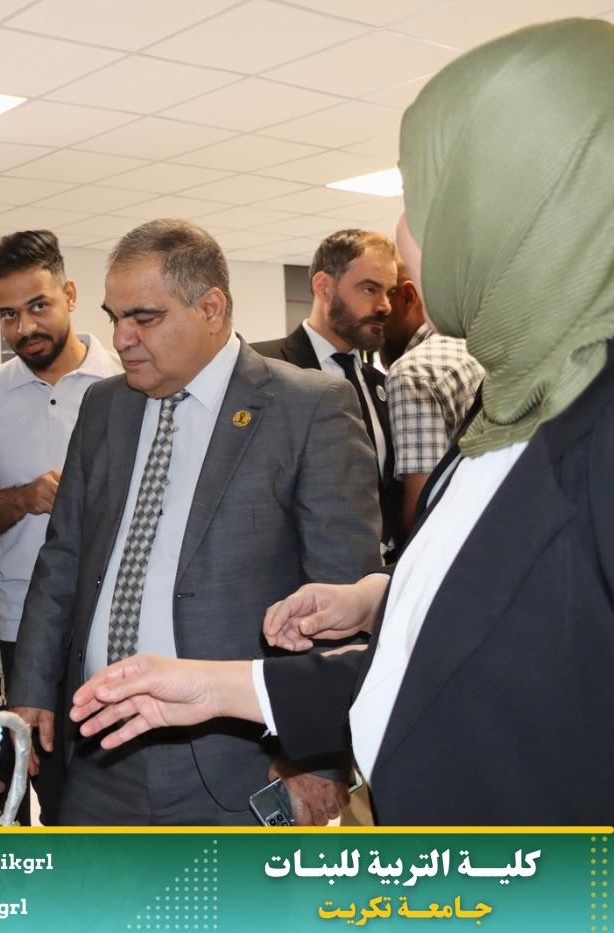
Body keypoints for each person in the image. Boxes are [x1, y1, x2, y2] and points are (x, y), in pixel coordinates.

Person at [69, 17, 614, 826]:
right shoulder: (511, 404)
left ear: (521, 206)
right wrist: (365, 607)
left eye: (424, 199)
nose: (402, 239)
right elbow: (474, 638)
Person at [9, 219, 381, 826]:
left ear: (210, 308)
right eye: (114, 317)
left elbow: (341, 599)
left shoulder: (308, 408)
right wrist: (30, 689)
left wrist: (319, 758)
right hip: (97, 745)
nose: (121, 338)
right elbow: (63, 557)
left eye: (144, 317)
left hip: (238, 759)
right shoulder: (104, 407)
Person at [0, 230, 121, 822]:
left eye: (39, 305)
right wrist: (24, 499)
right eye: (8, 315)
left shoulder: (125, 381)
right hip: (23, 625)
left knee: (110, 793)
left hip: (114, 621)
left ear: (70, 294)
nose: (25, 327)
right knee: (40, 792)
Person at [254, 231, 403, 561]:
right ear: (323, 286)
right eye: (370, 289)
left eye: (389, 292)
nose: (385, 306)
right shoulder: (263, 371)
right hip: (296, 577)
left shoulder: (382, 386)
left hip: (378, 574)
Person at [379, 261, 484, 536]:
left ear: (408, 296)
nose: (375, 312)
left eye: (381, 295)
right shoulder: (475, 346)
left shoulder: (413, 371)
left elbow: (421, 509)